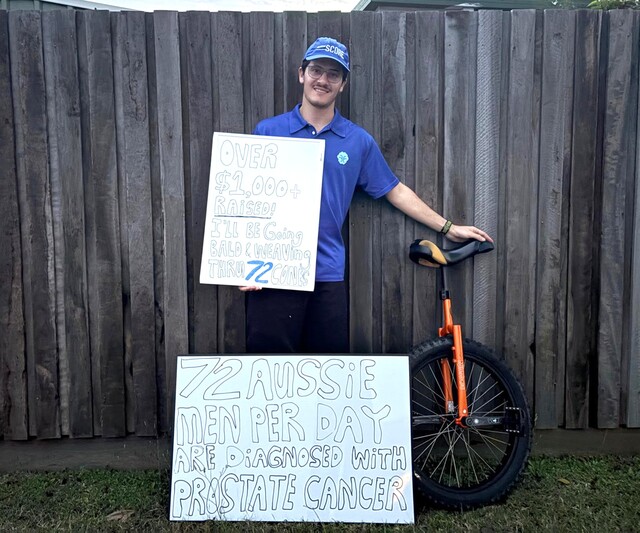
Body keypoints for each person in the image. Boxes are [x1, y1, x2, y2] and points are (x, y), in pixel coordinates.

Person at [241, 36, 492, 354]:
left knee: (327, 372)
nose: (323, 80)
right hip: (272, 273)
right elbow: (247, 199)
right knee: (268, 370)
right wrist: (243, 262)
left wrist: (449, 228)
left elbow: (395, 191)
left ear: (342, 85)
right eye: (316, 70)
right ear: (302, 74)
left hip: (327, 274)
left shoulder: (357, 141)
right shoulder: (268, 131)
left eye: (333, 74)